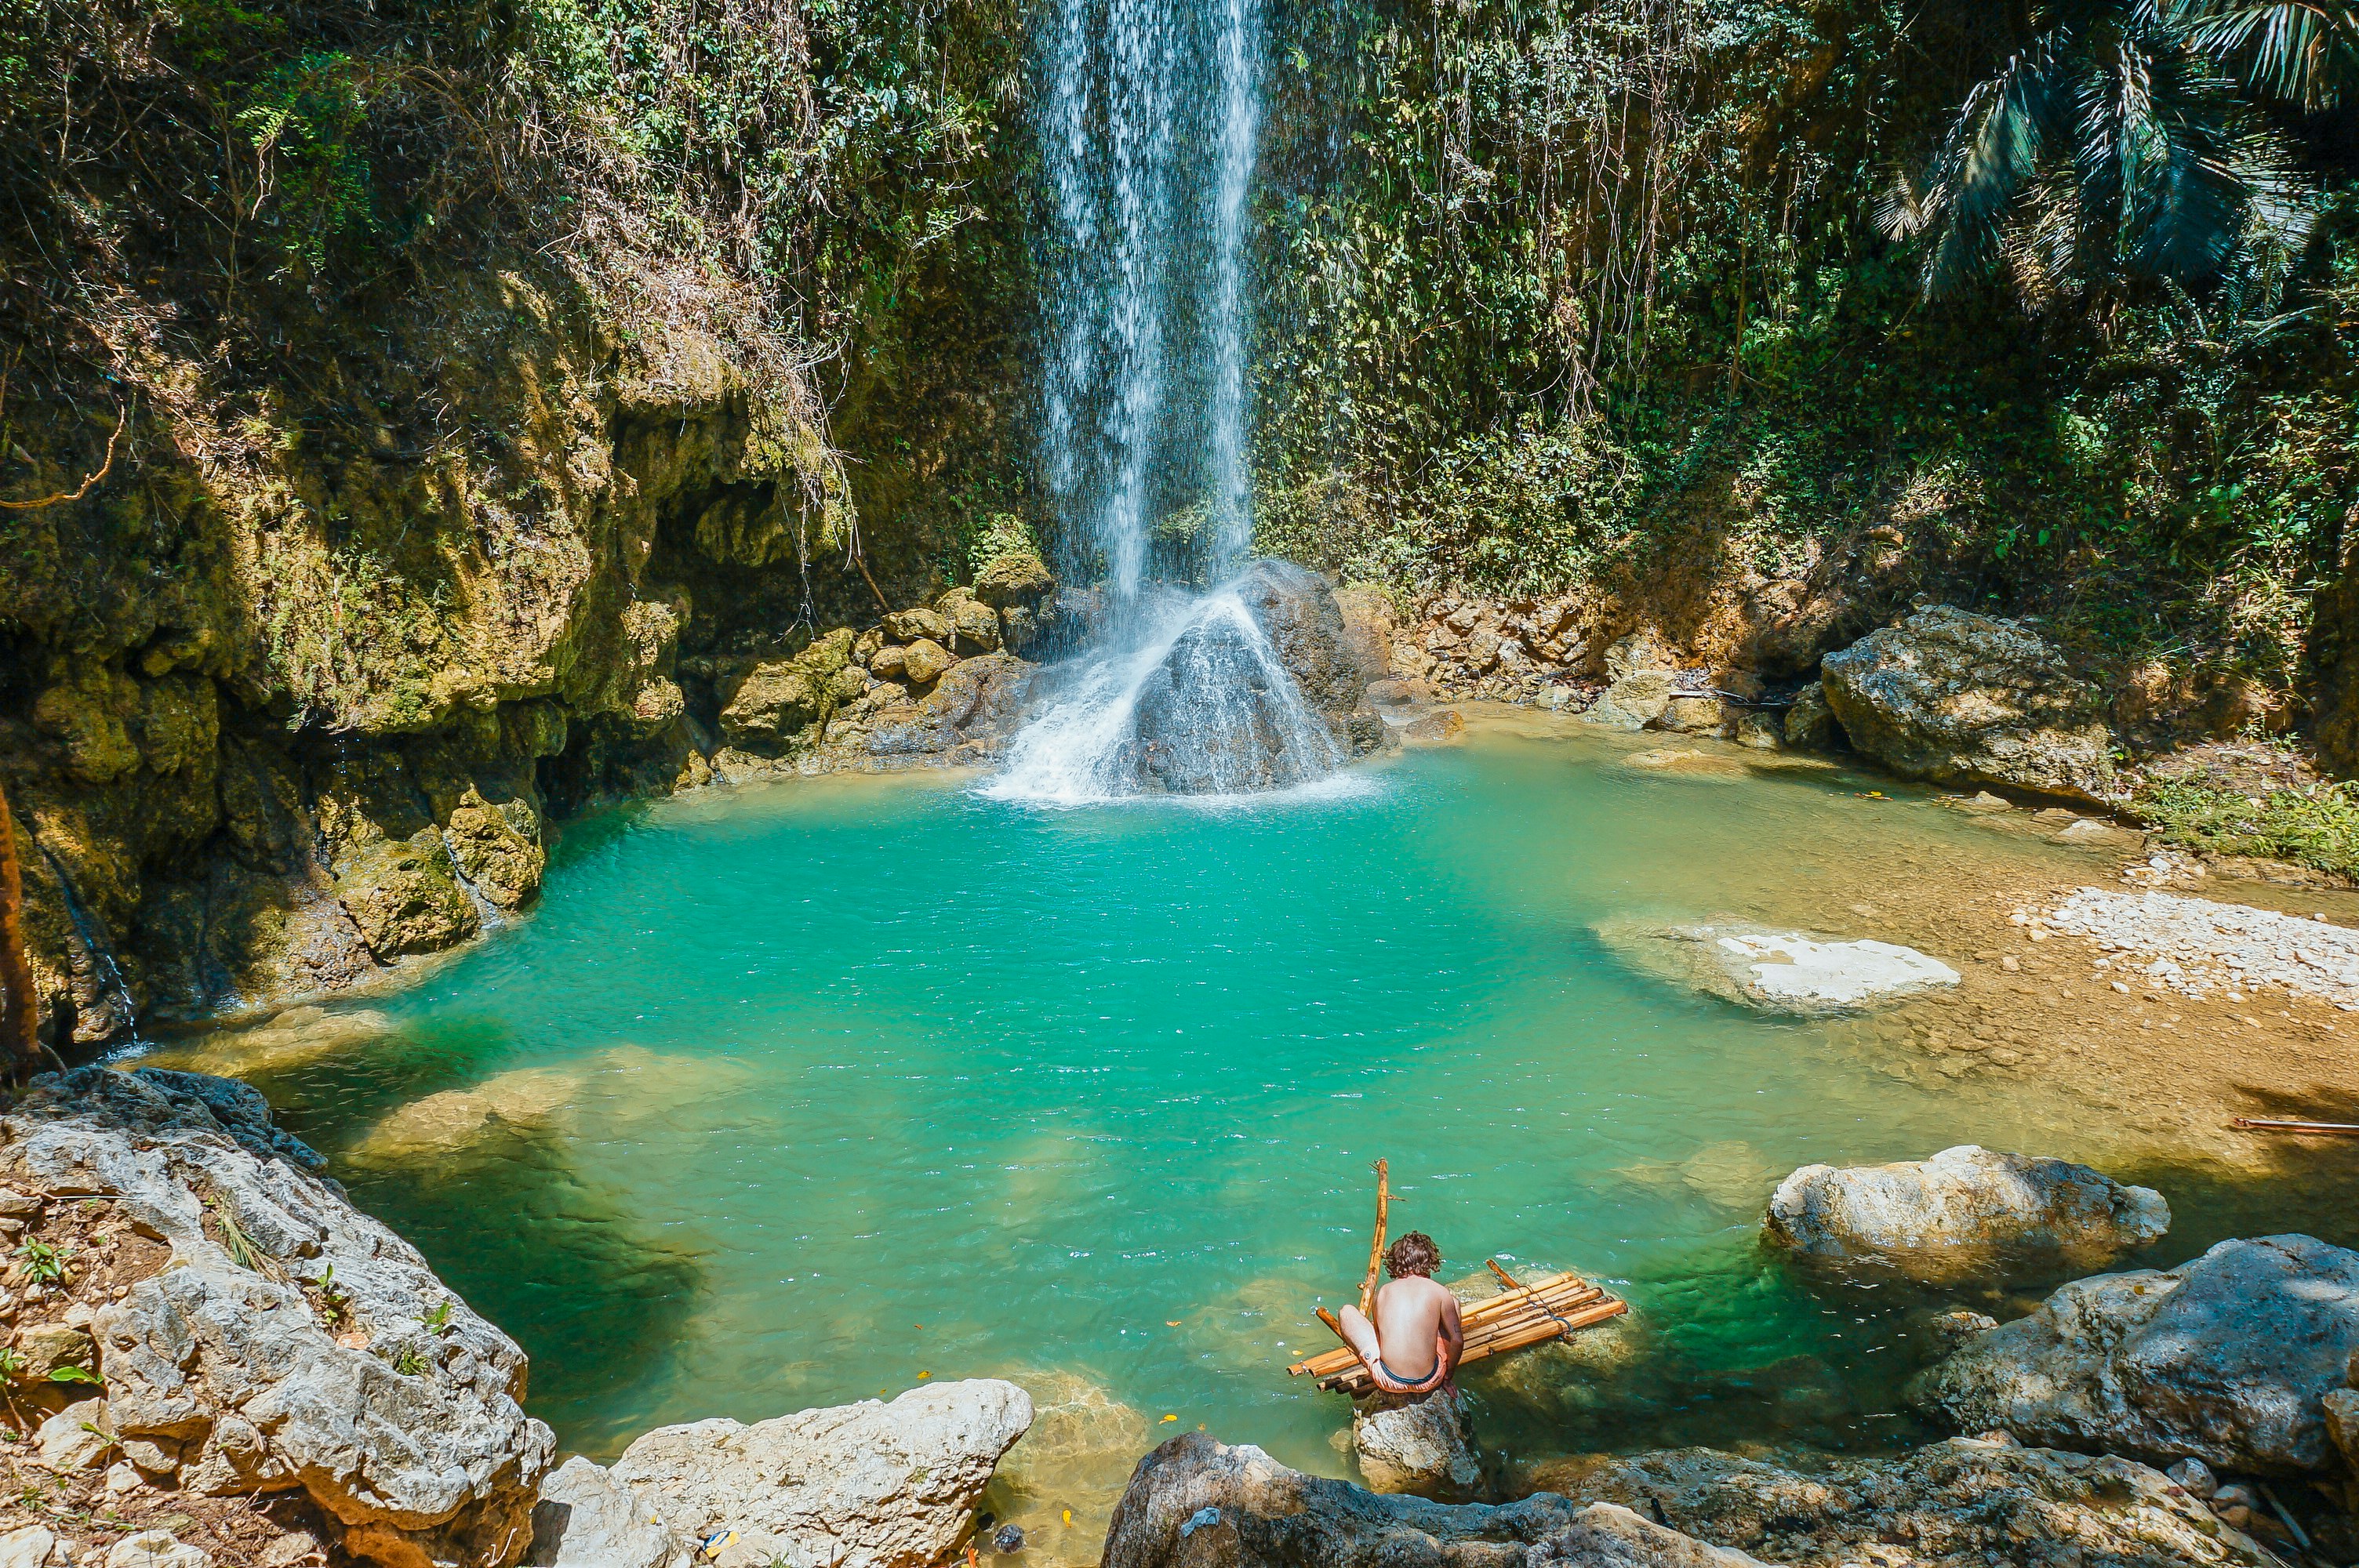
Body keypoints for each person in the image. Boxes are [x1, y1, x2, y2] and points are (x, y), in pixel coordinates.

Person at [1337, 1231, 1463, 1396]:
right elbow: (1458, 1340)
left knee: (1346, 1312)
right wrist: (1447, 1377)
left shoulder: (1383, 1292)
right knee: (1453, 1303)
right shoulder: (1440, 1292)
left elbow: (1380, 1337)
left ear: (1395, 1262)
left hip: (1388, 1380)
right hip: (1430, 1380)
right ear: (1430, 1260)